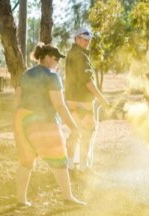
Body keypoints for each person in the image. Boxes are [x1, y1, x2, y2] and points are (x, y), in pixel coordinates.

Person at [13, 43, 85, 206]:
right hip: (43, 121)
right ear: (45, 58)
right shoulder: (52, 77)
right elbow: (59, 105)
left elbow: (17, 99)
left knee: (26, 161)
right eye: (55, 59)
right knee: (59, 159)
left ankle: (21, 200)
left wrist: (21, 119)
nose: (57, 62)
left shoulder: (25, 75)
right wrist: (73, 126)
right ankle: (68, 197)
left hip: (22, 120)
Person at [65, 27, 109, 172]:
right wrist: (101, 98)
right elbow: (87, 81)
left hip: (71, 100)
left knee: (74, 132)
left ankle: (70, 165)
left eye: (88, 40)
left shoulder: (71, 53)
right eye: (83, 39)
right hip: (83, 101)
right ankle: (83, 167)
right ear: (76, 39)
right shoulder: (81, 56)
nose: (86, 42)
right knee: (86, 134)